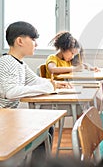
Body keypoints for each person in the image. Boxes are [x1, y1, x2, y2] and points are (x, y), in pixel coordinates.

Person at [0, 21, 70, 165]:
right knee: (43, 128)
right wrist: (46, 88)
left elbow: (34, 80)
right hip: (5, 117)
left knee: (47, 126)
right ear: (20, 41)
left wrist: (53, 84)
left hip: (11, 115)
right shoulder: (7, 61)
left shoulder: (19, 63)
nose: (36, 44)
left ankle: (36, 162)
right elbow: (10, 92)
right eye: (33, 40)